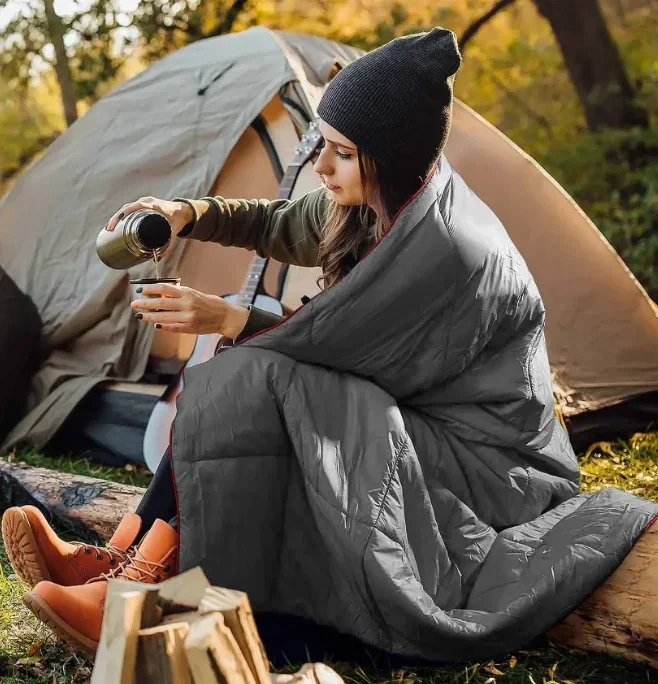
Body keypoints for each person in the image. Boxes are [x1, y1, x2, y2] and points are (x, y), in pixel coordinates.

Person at [4, 26, 653, 663]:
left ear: (391, 155)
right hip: (403, 417)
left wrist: (229, 319)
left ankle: (142, 581)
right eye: (323, 143)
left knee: (253, 373)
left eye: (341, 151)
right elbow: (275, 222)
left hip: (478, 463)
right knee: (246, 370)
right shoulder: (363, 204)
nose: (320, 164)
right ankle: (130, 554)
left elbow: (354, 356)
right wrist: (187, 213)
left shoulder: (450, 252)